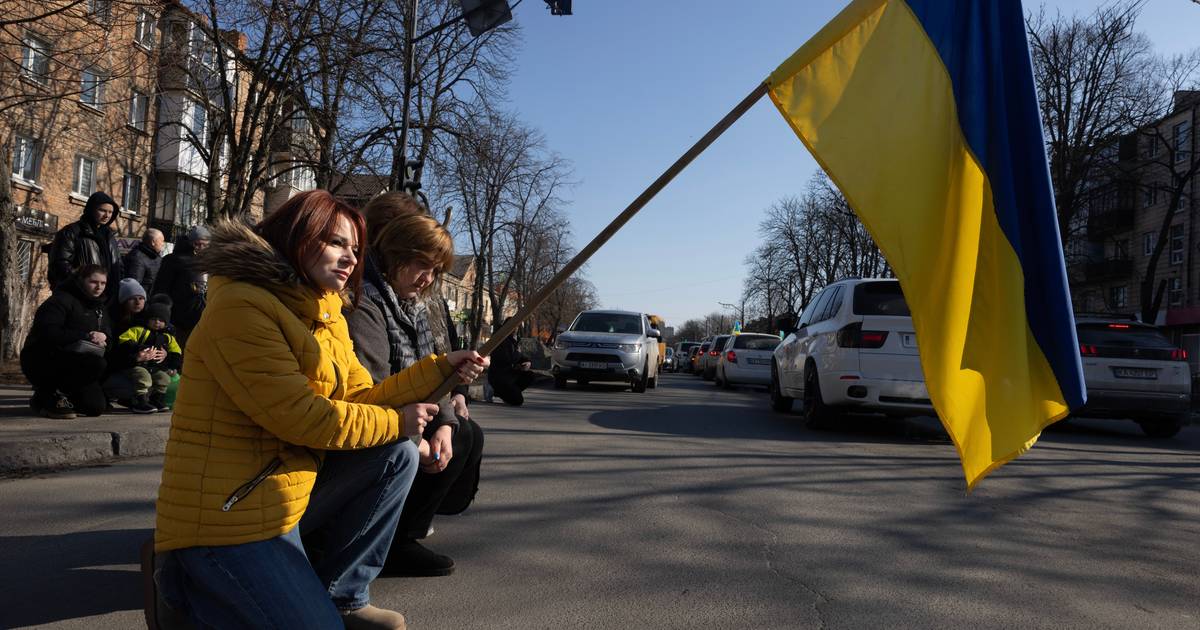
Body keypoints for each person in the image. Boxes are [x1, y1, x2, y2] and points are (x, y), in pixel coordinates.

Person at [152, 190, 488, 630]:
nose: (349, 258)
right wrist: (400, 422)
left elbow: (362, 396)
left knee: (396, 454)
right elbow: (303, 417)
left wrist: (440, 368)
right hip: (226, 520)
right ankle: (183, 585)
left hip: (280, 500)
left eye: (354, 248)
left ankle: (340, 596)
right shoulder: (241, 306)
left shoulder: (324, 312)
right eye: (335, 243)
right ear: (296, 236)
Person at [345, 193, 485, 578]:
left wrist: (444, 416)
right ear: (392, 251)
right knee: (408, 451)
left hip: (401, 412)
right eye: (422, 265)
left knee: (464, 434)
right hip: (367, 423)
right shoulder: (364, 303)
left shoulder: (413, 303)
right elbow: (373, 389)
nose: (428, 280)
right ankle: (375, 548)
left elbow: (427, 370)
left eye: (435, 271)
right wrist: (416, 433)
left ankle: (401, 535)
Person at [20, 264, 113, 419]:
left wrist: (105, 338)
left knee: (94, 407)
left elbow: (110, 339)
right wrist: (85, 336)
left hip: (81, 363)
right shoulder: (60, 300)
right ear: (81, 280)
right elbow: (47, 332)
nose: (99, 287)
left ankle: (65, 398)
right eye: (93, 282)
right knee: (96, 364)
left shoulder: (100, 308)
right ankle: (46, 396)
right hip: (45, 360)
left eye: (103, 283)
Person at [47, 191, 123, 298]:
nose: (107, 216)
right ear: (91, 210)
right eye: (102, 210)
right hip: (78, 296)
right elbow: (60, 265)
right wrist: (83, 285)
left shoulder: (109, 236)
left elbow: (118, 266)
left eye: (110, 212)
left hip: (107, 299)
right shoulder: (72, 232)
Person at [113, 295, 181, 413]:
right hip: (138, 365)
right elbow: (124, 339)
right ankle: (140, 401)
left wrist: (172, 366)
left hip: (154, 367)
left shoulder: (167, 337)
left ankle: (156, 399)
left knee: (164, 378)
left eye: (161, 320)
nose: (157, 322)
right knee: (143, 377)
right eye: (153, 319)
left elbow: (176, 351)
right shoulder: (139, 330)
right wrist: (140, 348)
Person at [151, 225, 209, 348]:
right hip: (178, 316)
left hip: (201, 316)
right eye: (198, 244)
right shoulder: (174, 260)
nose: (201, 248)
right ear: (191, 243)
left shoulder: (208, 262)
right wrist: (163, 312)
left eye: (205, 245)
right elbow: (162, 288)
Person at [488, 318, 535, 406]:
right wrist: (517, 365)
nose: (516, 329)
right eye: (514, 326)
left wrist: (527, 362)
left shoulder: (513, 340)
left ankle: (506, 392)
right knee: (518, 401)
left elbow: (519, 356)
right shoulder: (500, 340)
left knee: (530, 376)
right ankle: (495, 390)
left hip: (509, 374)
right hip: (499, 376)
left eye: (517, 327)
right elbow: (505, 359)